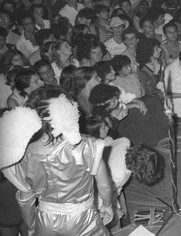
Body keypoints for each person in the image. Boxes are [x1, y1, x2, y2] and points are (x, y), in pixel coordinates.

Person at [0, 86, 113, 235]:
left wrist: (32, 225)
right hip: (83, 218)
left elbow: (25, 199)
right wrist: (107, 205)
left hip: (46, 221)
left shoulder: (23, 154)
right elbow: (104, 185)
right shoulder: (87, 145)